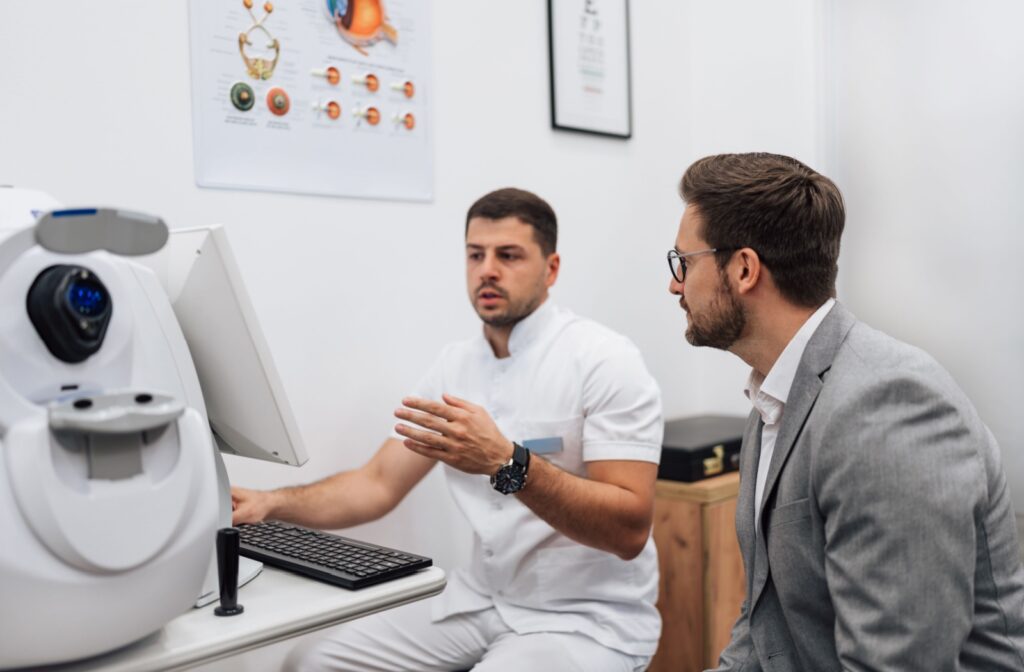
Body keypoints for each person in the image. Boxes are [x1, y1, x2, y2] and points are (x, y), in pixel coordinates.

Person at [233, 188, 664, 671]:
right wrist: (271, 504)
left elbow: (629, 530)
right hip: (480, 599)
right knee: (311, 662)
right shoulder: (454, 367)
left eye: (509, 255)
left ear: (552, 268)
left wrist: (508, 461)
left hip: (586, 618)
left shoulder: (604, 360)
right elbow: (377, 484)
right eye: (475, 255)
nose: (488, 270)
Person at [668, 153, 1024, 671]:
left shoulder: (886, 408)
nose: (675, 285)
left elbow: (899, 664)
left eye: (684, 262)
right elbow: (763, 627)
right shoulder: (774, 400)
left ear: (744, 269)